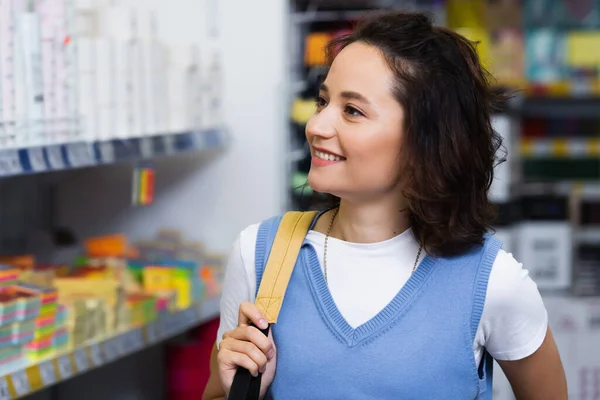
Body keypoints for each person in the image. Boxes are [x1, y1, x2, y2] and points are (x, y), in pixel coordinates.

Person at [202, 11, 567, 400]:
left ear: (423, 141)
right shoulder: (259, 255)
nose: (317, 126)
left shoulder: (493, 281)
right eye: (322, 101)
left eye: (353, 111)